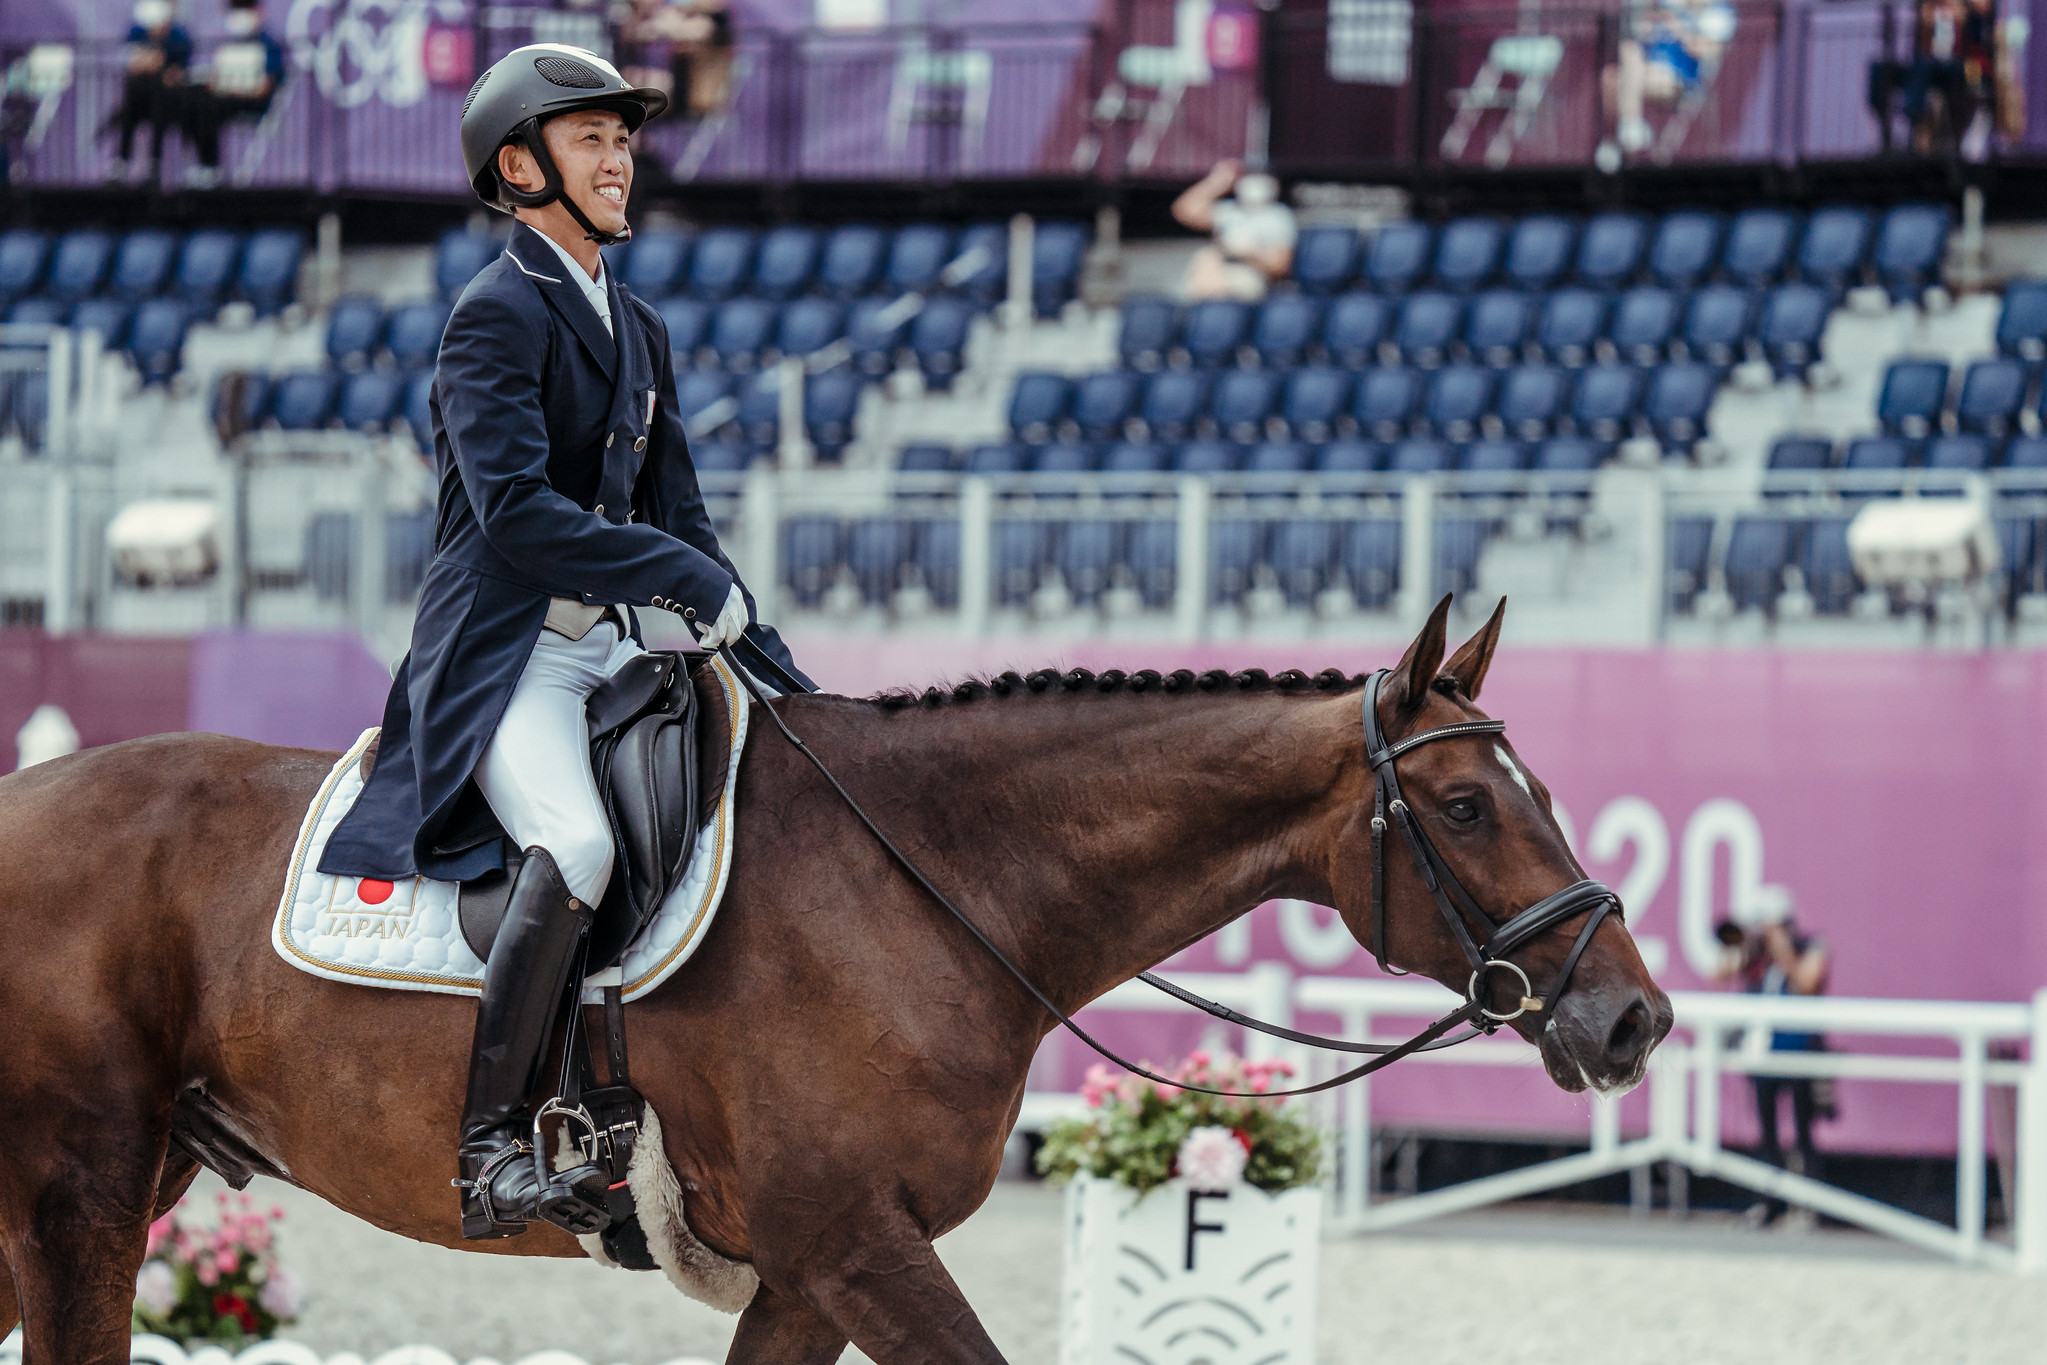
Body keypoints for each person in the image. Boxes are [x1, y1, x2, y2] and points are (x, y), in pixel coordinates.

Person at [316, 42, 811, 1241]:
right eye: (591, 138)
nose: (619, 155)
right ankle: (492, 1150)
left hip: (614, 649)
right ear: (519, 168)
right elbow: (519, 516)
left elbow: (678, 512)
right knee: (580, 844)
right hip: (508, 658)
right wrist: (679, 577)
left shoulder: (635, 323)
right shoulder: (492, 314)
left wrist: (755, 640)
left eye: (624, 137)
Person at [1713, 892, 1833, 1226]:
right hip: (1763, 1053)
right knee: (1766, 1134)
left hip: (1799, 1050)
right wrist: (1744, 943)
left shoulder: (1812, 946)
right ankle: (1768, 1204)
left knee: (1803, 1134)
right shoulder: (1757, 957)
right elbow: (1720, 972)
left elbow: (1807, 983)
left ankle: (1811, 1206)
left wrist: (1781, 946)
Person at [1599, 0, 1735, 160]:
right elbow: (1642, 34)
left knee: (1624, 76)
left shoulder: (1717, 11)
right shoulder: (1670, 4)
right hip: (1644, 71)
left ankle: (1621, 140)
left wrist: (1675, 26)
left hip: (1680, 81)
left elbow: (1706, 50)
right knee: (1613, 74)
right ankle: (1627, 134)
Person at [178, 0, 286, 189]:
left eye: (243, 9)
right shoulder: (229, 46)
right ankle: (205, 165)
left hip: (252, 103)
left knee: (207, 105)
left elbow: (265, 87)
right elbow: (216, 78)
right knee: (194, 101)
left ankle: (210, 167)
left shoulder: (269, 45)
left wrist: (234, 89)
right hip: (225, 99)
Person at [1171, 159, 1296, 301]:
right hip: (1218, 269)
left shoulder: (1279, 216)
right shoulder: (1229, 210)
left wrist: (1249, 252)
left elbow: (1281, 266)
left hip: (1251, 272)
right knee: (1206, 257)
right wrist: (1216, 182)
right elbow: (1184, 210)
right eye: (1249, 176)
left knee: (1221, 286)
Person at [107, 0, 193, 183]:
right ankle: (121, 163)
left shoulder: (179, 36)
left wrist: (155, 61)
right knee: (134, 96)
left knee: (158, 97)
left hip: (169, 102)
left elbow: (175, 71)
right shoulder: (137, 32)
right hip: (139, 100)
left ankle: (153, 163)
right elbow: (133, 64)